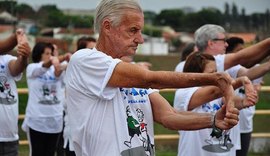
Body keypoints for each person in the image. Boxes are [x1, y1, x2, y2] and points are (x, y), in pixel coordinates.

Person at [65, 0, 239, 155]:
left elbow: (169, 116)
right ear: (107, 27)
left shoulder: (132, 74)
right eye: (133, 30)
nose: (140, 39)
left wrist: (213, 119)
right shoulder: (84, 61)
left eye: (140, 31)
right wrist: (214, 79)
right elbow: (151, 79)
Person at [174, 51, 258, 156]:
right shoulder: (184, 93)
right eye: (211, 73)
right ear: (196, 74)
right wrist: (240, 81)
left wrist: (244, 101)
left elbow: (226, 99)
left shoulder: (218, 93)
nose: (216, 77)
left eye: (216, 72)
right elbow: (213, 93)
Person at [22, 42, 70, 156]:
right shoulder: (32, 68)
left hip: (55, 121)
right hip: (36, 121)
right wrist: (60, 57)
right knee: (37, 153)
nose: (50, 56)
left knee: (50, 152)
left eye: (51, 53)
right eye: (47, 53)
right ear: (39, 54)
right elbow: (43, 67)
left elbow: (59, 73)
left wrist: (66, 61)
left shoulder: (57, 68)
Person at [226, 37, 264, 156]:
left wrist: (255, 89)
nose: (243, 53)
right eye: (239, 50)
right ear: (229, 53)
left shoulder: (256, 68)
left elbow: (255, 91)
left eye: (244, 50)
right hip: (229, 122)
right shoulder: (224, 68)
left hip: (245, 121)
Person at [0, 29, 31, 155]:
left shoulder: (6, 59)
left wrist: (24, 56)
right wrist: (15, 37)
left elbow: (16, 68)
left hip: (9, 138)